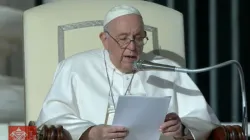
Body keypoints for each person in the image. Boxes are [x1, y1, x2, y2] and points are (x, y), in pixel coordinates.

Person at [36, 4, 220, 140]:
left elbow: (204, 119)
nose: (132, 47)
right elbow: (51, 119)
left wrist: (183, 129)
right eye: (123, 39)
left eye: (139, 38)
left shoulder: (166, 69)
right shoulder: (75, 68)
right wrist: (90, 132)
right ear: (105, 39)